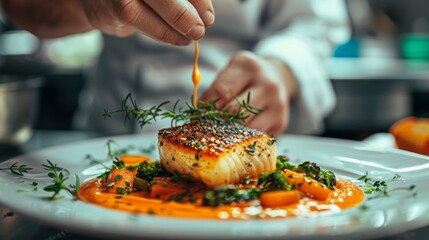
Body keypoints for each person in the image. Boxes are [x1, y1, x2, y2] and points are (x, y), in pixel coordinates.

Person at [1, 0, 350, 136]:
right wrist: (85, 5)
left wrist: (282, 68)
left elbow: (314, 25)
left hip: (254, 136)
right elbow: (20, 6)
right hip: (104, 145)